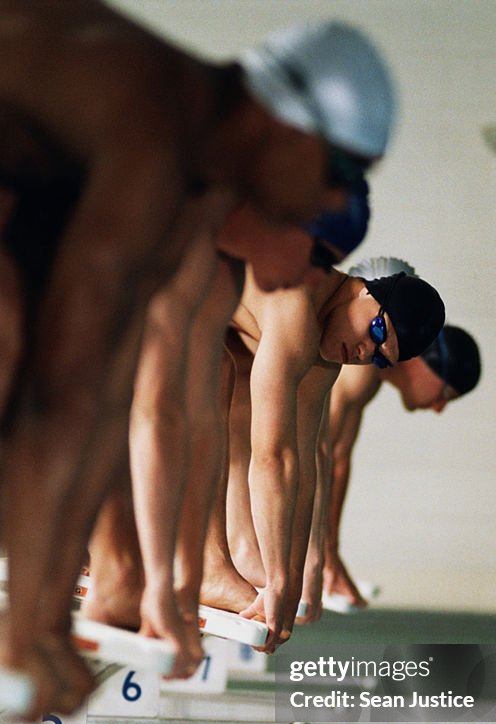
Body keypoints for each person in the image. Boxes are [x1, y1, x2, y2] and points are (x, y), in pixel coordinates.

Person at [0, 3, 396, 718]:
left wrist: (55, 620)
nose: (334, 199)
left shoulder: (193, 200)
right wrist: (28, 626)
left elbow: (113, 400)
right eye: (340, 172)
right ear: (286, 123)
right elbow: (65, 395)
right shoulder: (154, 139)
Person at [84, 181, 372, 679]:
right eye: (315, 259)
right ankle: (109, 556)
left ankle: (206, 561)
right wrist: (157, 583)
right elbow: (158, 416)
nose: (311, 277)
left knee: (212, 377)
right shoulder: (193, 228)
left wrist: (191, 580)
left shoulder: (227, 271)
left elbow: (296, 454)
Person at [222, 268, 446, 652]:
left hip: (195, 306)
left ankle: (228, 552)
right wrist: (278, 581)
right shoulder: (297, 311)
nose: (364, 352)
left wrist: (296, 575)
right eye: (377, 333)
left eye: (379, 358)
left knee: (229, 379)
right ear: (365, 292)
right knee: (212, 380)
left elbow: (303, 459)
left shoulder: (325, 359)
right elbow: (272, 456)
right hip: (138, 281)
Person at [323, 256, 481, 610]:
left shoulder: (370, 376)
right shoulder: (359, 370)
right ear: (426, 362)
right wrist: (318, 561)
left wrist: (328, 557)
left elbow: (336, 461)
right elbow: (315, 459)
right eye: (445, 394)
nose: (439, 407)